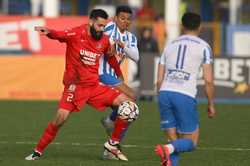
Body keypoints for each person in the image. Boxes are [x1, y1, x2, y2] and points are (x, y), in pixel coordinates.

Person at [25, 9, 139, 161]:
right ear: (91, 22)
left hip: (94, 87)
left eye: (104, 26)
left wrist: (119, 74)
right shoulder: (76, 33)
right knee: (60, 119)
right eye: (99, 25)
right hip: (75, 86)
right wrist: (49, 31)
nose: (102, 29)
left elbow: (110, 58)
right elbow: (60, 34)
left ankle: (112, 144)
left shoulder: (104, 40)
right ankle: (37, 151)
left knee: (130, 106)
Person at [155, 12, 216, 166]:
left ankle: (169, 152)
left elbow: (159, 79)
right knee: (191, 142)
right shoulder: (204, 47)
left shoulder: (169, 45)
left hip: (165, 93)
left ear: (182, 26)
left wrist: (161, 97)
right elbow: (208, 81)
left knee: (173, 139)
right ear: (200, 26)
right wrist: (210, 104)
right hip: (184, 94)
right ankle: (167, 148)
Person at [99, 5, 139, 160]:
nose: (125, 21)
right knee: (131, 98)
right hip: (101, 74)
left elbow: (136, 56)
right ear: (115, 18)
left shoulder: (131, 38)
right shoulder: (108, 27)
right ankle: (110, 126)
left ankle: (111, 146)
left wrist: (123, 46)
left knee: (129, 107)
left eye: (128, 19)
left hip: (113, 76)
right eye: (122, 18)